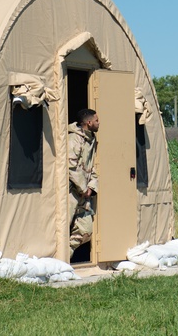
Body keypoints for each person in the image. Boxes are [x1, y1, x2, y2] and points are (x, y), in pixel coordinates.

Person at [68, 108, 99, 253]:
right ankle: (59, 262)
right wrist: (82, 187)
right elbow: (71, 165)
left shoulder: (91, 139)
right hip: (71, 192)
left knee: (85, 230)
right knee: (62, 229)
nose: (99, 123)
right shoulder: (74, 139)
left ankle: (66, 254)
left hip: (83, 194)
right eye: (97, 120)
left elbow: (92, 165)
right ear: (88, 122)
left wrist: (91, 186)